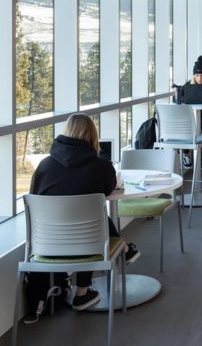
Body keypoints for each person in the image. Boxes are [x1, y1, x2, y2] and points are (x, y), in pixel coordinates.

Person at [30, 113, 140, 311]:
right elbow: (108, 190)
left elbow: (35, 196)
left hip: (46, 246)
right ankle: (83, 292)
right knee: (92, 219)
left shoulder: (43, 166)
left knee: (89, 217)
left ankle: (123, 250)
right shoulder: (100, 166)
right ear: (92, 135)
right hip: (86, 242)